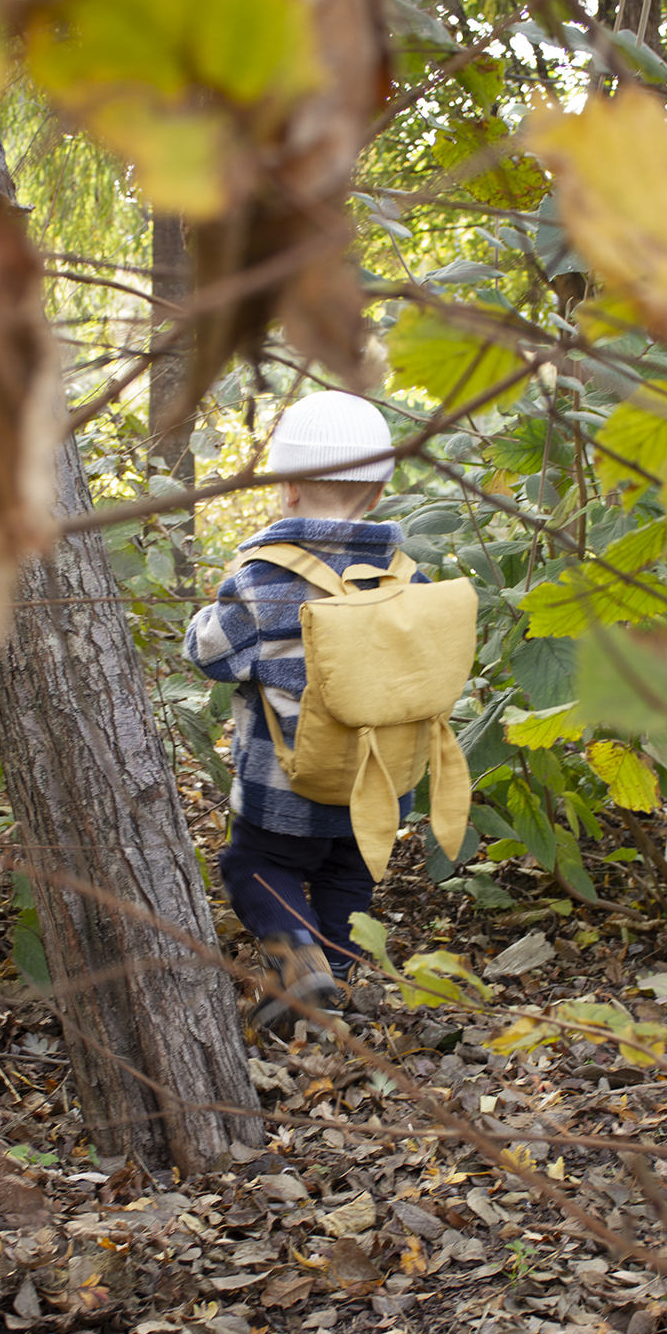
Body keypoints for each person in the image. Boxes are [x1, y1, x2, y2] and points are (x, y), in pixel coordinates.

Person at [184, 389, 417, 1029]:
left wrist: (212, 613)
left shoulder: (262, 579)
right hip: (380, 781)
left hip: (286, 784)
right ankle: (334, 979)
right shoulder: (407, 576)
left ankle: (299, 962)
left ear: (287, 487)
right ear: (377, 493)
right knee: (348, 877)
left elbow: (211, 656)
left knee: (254, 865)